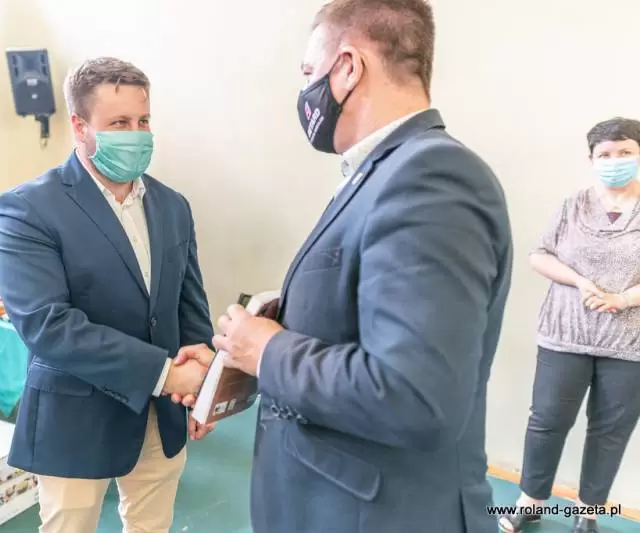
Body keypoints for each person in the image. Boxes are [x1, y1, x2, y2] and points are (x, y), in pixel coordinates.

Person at [176, 1, 513, 531]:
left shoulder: (430, 178)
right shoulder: (380, 175)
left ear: (349, 67)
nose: (304, 90)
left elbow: (415, 395)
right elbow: (353, 332)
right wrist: (237, 361)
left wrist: (269, 350)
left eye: (309, 72)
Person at [0, 57, 215, 533]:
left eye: (143, 120)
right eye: (119, 123)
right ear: (80, 125)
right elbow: (48, 326)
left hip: (161, 415)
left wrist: (205, 387)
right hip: (77, 414)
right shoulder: (29, 209)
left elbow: (188, 305)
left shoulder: (173, 206)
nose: (137, 134)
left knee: (151, 525)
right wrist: (167, 375)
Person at [498, 118, 640, 533]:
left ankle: (588, 512)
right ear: (591, 159)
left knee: (610, 432)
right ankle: (530, 501)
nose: (614, 161)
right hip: (564, 335)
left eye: (625, 152)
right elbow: (539, 255)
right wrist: (579, 281)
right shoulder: (572, 206)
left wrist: (623, 299)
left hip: (628, 343)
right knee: (546, 421)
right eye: (605, 154)